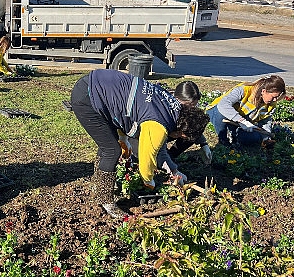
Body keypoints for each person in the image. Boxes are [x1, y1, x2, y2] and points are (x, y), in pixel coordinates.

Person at [70, 69, 209, 217]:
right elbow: (146, 162)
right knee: (112, 151)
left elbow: (128, 110)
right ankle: (106, 201)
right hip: (89, 97)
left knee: (108, 146)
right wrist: (150, 182)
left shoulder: (171, 107)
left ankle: (100, 185)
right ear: (183, 132)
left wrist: (174, 171)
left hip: (99, 85)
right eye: (182, 137)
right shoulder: (158, 126)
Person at [206, 75, 285, 147]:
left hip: (236, 122)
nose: (275, 100)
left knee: (254, 137)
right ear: (264, 91)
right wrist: (242, 121)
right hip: (216, 112)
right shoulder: (245, 89)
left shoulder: (271, 104)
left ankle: (233, 134)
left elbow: (265, 122)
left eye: (277, 97)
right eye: (273, 97)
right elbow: (223, 105)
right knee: (221, 113)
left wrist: (266, 138)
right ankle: (223, 140)